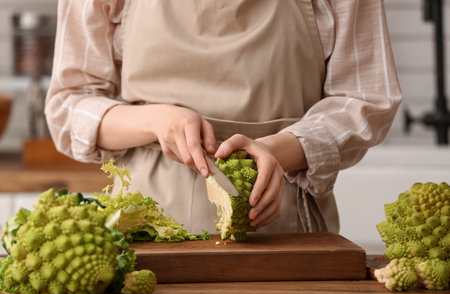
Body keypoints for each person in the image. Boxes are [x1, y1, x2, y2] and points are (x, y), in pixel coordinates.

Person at [45, 0, 402, 235]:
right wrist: (153, 121)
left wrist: (279, 149)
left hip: (285, 234)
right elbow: (68, 103)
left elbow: (366, 98)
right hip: (144, 230)